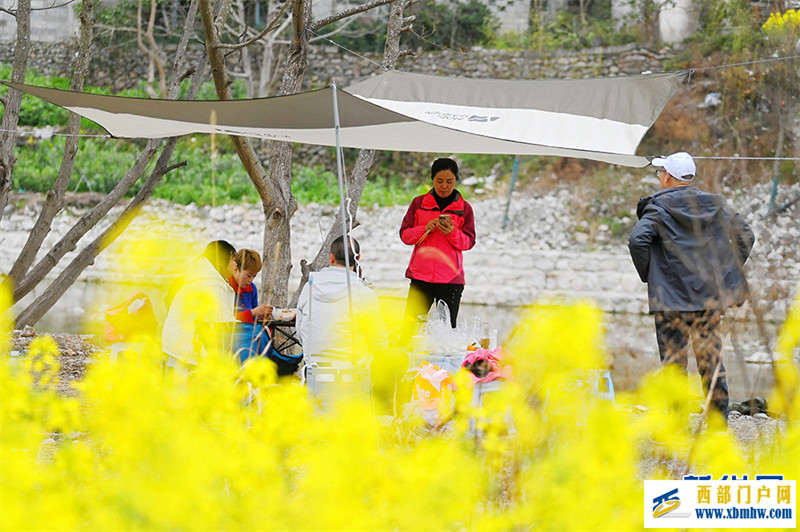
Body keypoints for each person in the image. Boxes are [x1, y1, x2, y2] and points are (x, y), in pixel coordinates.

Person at [629, 152, 754, 421]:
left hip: (671, 301)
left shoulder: (658, 208)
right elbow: (746, 235)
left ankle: (675, 426)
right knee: (711, 360)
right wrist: (727, 271)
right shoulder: (715, 205)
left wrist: (651, 274)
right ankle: (718, 424)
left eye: (660, 172)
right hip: (708, 298)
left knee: (673, 364)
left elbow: (638, 240)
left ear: (667, 177)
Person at [399, 157, 476, 336]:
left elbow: (469, 242)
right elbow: (405, 235)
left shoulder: (465, 209)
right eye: (439, 181)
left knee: (446, 334)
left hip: (450, 280)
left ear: (456, 180)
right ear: (432, 179)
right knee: (409, 331)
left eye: (449, 181)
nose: (444, 186)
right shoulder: (418, 204)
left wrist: (451, 232)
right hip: (420, 277)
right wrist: (424, 229)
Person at [296, 235, 388, 362]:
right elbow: (379, 343)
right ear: (358, 258)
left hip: (314, 368)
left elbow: (300, 333)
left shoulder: (309, 287)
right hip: (353, 372)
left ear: (331, 257)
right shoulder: (365, 294)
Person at [162, 240, 237, 375]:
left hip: (174, 342)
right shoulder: (213, 284)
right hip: (188, 345)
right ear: (221, 261)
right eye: (233, 260)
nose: (236, 264)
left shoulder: (201, 278)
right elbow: (223, 322)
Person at [228, 249, 274, 364]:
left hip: (249, 336)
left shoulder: (252, 289)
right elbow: (227, 319)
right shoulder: (227, 287)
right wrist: (253, 313)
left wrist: (262, 317)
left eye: (254, 276)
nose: (250, 280)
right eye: (248, 275)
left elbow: (254, 316)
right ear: (236, 269)